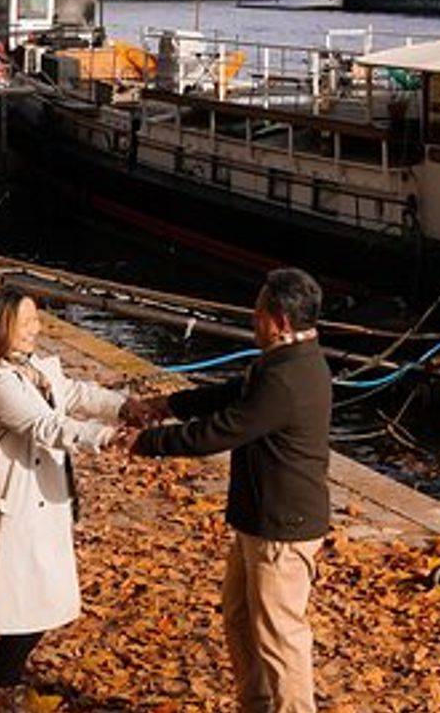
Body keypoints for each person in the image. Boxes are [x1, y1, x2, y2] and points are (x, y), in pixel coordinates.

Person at [125, 267, 333, 713]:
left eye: (257, 313)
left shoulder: (286, 378)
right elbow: (232, 395)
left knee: (281, 636)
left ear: (278, 321)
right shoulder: (286, 362)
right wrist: (170, 404)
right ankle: (255, 705)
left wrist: (147, 442)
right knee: (239, 618)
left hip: (282, 528)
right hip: (258, 520)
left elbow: (222, 431)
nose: (252, 320)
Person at [0, 288, 131, 713]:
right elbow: (45, 425)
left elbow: (74, 394)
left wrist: (125, 408)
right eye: (28, 320)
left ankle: (1, 685)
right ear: (2, 326)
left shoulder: (31, 367)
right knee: (29, 601)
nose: (37, 327)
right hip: (13, 504)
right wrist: (107, 436)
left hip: (40, 501)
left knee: (39, 600)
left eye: (36, 318)